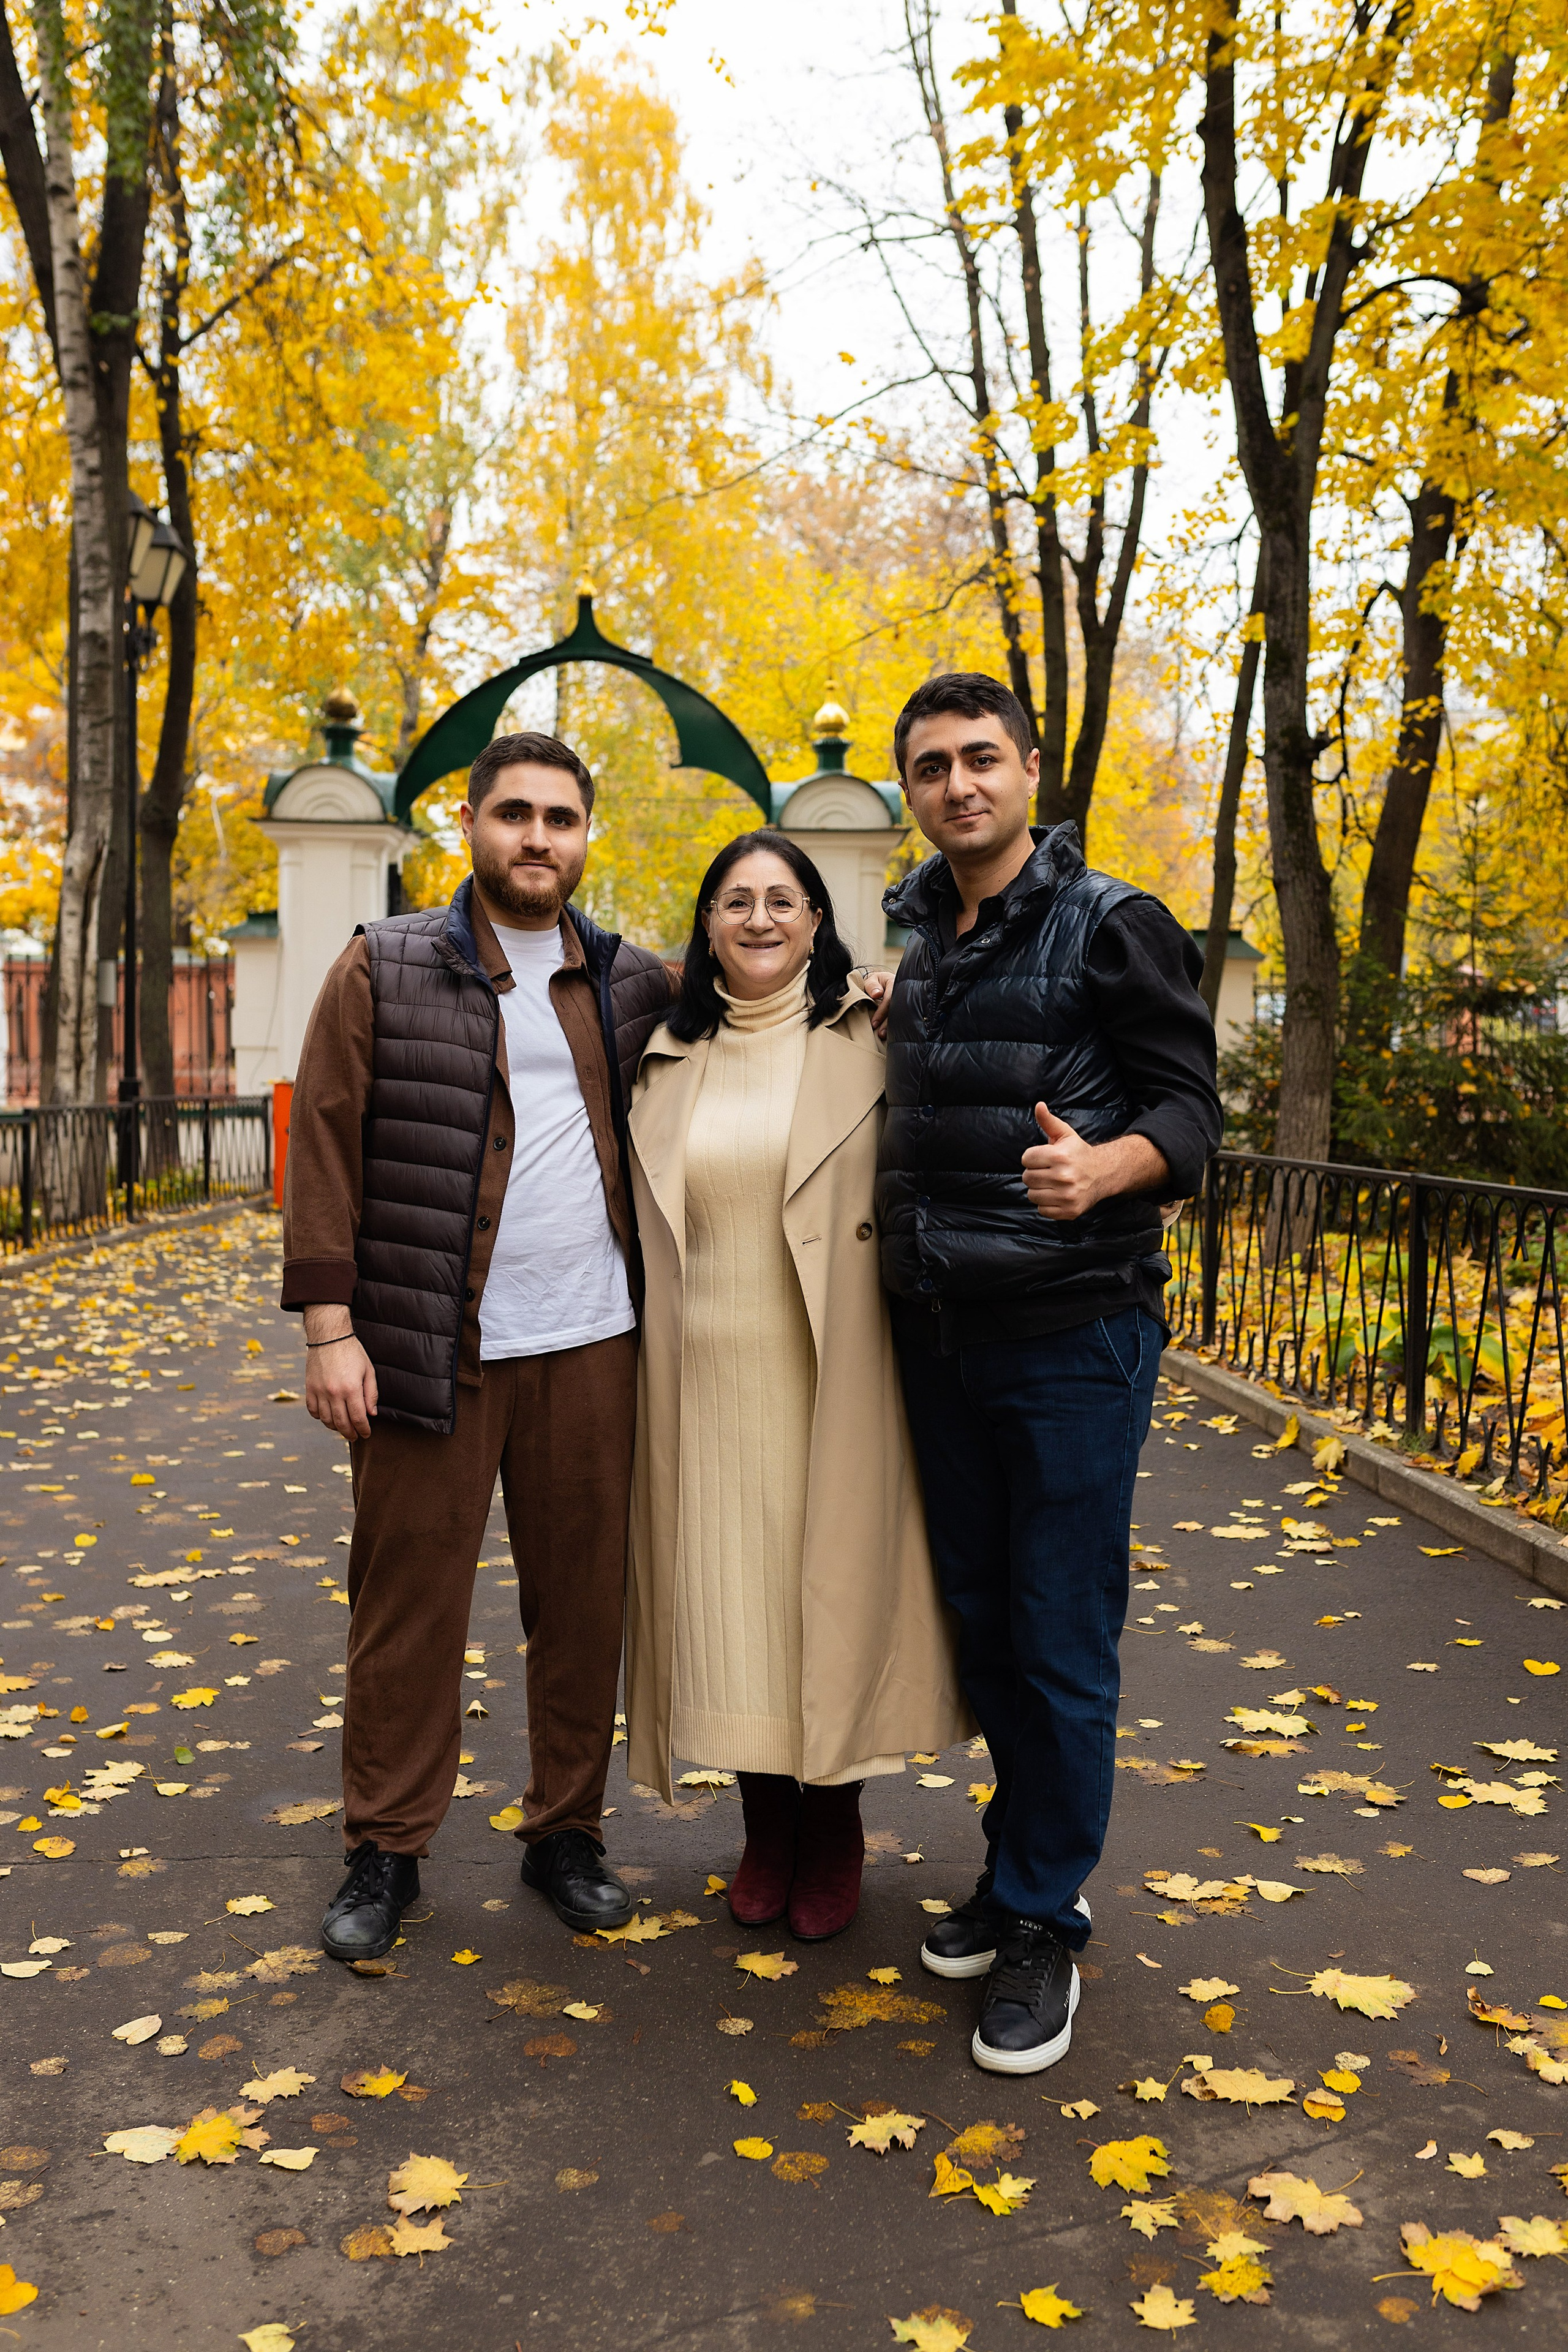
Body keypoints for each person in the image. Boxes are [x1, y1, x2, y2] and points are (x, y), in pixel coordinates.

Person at [280, 730, 676, 1961]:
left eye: (560, 818)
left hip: (594, 1345)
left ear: (585, 835)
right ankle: (385, 1848)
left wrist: (877, 993)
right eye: (515, 814)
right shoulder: (384, 964)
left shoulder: (631, 981)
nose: (537, 838)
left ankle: (566, 1831)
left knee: (583, 1608)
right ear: (470, 824)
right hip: (424, 1346)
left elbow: (764, 1006)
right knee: (406, 1609)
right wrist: (330, 1330)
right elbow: (324, 1142)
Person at [876, 673, 1223, 2073]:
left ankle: (1041, 1923)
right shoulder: (920, 935)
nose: (957, 785)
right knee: (986, 1630)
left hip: (1072, 1335)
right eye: (930, 767)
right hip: (939, 1336)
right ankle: (1014, 1869)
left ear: (1027, 770)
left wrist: (1110, 1167)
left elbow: (1189, 1110)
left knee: (1059, 1632)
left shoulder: (1109, 921)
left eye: (979, 759)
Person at [623, 829, 969, 1940]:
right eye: (737, 900)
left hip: (833, 1365)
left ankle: (835, 1824)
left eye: (783, 899)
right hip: (703, 1381)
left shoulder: (871, 1034)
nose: (760, 918)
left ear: (818, 921)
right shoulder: (664, 1051)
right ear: (707, 924)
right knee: (733, 1608)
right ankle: (766, 1825)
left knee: (824, 1595)